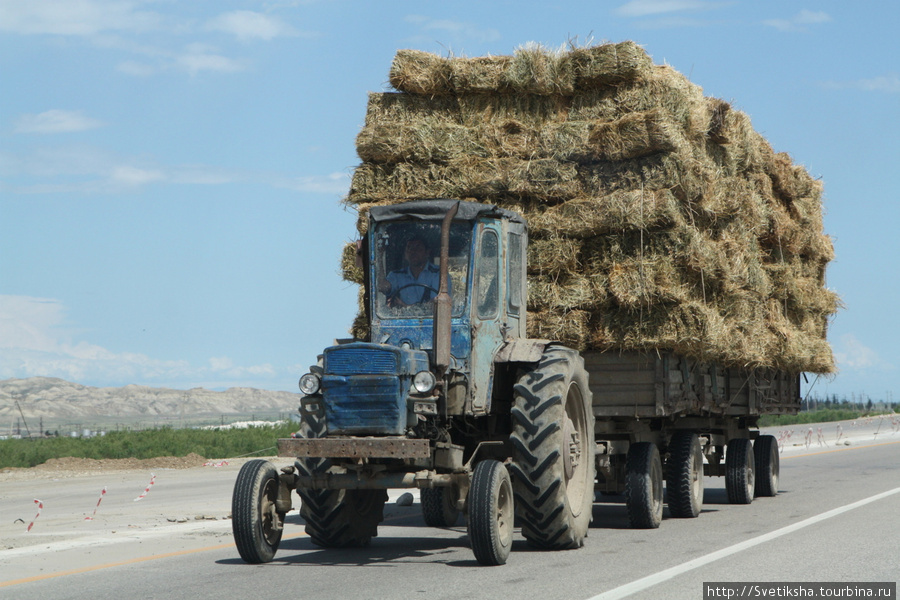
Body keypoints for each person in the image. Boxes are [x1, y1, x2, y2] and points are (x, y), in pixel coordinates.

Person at [379, 237, 444, 307]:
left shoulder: (438, 274)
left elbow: (437, 305)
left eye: (418, 248)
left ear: (427, 252)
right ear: (405, 254)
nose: (413, 251)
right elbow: (383, 287)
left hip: (433, 318)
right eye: (409, 248)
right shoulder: (397, 276)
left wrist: (406, 307)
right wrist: (379, 256)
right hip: (403, 317)